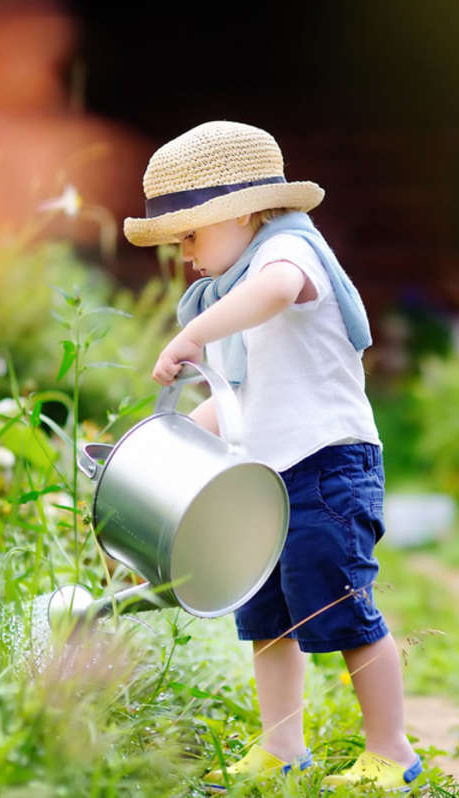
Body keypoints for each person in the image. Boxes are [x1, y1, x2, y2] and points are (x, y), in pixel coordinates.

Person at [123, 121, 422, 792]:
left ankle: (391, 749)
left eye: (192, 235)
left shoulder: (289, 252)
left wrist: (195, 334)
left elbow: (278, 292)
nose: (187, 255)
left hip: (326, 467)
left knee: (342, 608)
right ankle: (283, 744)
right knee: (266, 617)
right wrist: (155, 449)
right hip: (263, 481)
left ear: (244, 213)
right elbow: (237, 402)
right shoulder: (236, 294)